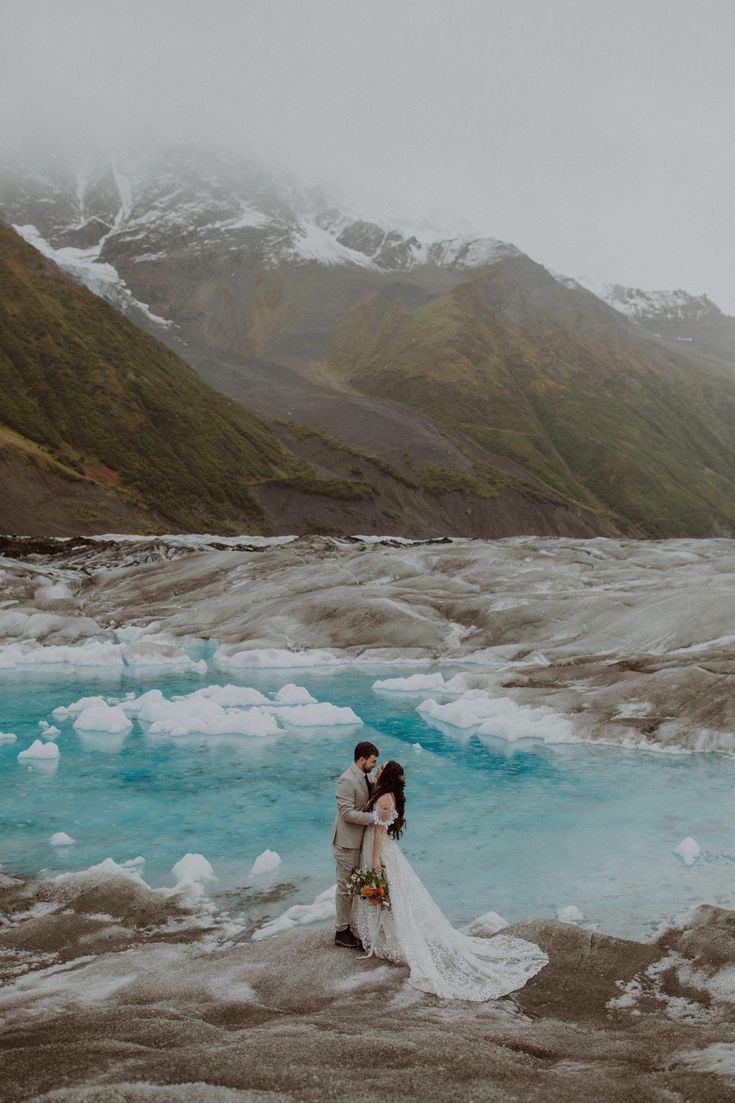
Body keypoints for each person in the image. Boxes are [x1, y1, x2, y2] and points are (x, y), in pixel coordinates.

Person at [352, 760, 549, 1000]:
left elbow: (379, 834)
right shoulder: (385, 794)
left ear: (388, 775)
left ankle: (388, 937)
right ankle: (384, 934)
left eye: (382, 767)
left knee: (389, 896)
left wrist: (374, 862)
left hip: (381, 852)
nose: (378, 769)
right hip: (382, 850)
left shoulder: (384, 800)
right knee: (391, 897)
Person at [331, 740, 379, 949]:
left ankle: (352, 925)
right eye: (373, 761)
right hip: (346, 842)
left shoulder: (365, 776)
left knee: (354, 886)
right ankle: (341, 932)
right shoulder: (346, 780)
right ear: (362, 759)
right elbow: (346, 813)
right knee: (344, 887)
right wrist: (373, 818)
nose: (374, 765)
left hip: (359, 841)